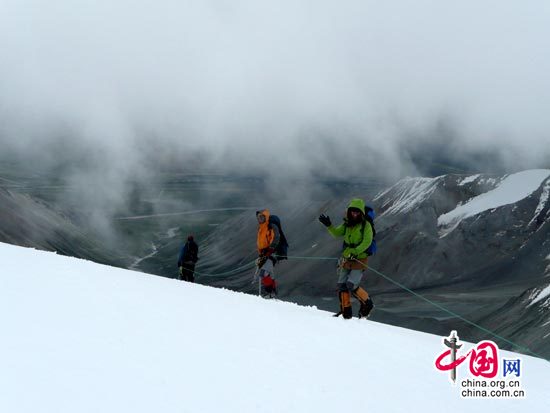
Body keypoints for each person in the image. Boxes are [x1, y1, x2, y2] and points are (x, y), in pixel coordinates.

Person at [319, 198, 375, 319]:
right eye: (352, 211)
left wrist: (355, 251)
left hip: (360, 259)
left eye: (357, 212)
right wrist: (329, 225)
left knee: (351, 285)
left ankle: (367, 304)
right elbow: (336, 233)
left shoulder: (366, 225)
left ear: (361, 212)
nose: (354, 214)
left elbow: (367, 242)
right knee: (341, 285)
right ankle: (346, 312)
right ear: (349, 212)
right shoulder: (347, 223)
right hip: (347, 257)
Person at [255, 209, 280, 297]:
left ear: (266, 217)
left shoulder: (271, 226)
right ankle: (271, 293)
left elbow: (276, 237)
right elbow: (260, 242)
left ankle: (270, 293)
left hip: (270, 253)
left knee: (265, 273)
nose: (260, 219)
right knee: (267, 273)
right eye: (258, 217)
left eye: (262, 217)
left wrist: (270, 249)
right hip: (264, 253)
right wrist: (261, 252)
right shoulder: (261, 228)